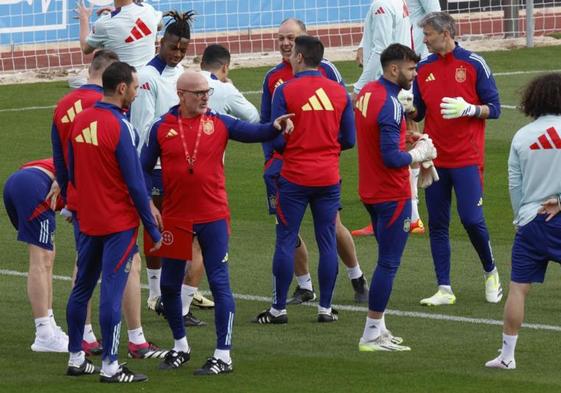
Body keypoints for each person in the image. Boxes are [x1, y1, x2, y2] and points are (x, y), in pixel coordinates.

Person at [140, 70, 293, 374]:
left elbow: (256, 132)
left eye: (207, 93)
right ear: (181, 95)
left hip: (213, 217)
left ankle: (223, 355)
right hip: (176, 218)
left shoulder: (219, 122)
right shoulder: (161, 128)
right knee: (169, 286)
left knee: (220, 284)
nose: (204, 98)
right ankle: (180, 346)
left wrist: (275, 127)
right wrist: (147, 201)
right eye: (198, 94)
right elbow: (142, 168)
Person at [52, 49, 166, 359]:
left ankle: (77, 357)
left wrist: (73, 199)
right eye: (134, 86)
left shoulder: (75, 115)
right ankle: (114, 362)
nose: (136, 91)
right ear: (120, 87)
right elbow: (134, 181)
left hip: (85, 216)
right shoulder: (121, 125)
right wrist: (152, 229)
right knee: (113, 289)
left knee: (82, 287)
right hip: (116, 221)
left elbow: (66, 168)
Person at [260, 17, 368, 304]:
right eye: (281, 37)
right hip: (284, 166)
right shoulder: (272, 78)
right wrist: (270, 161)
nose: (285, 43)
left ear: (303, 42)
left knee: (332, 225)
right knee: (286, 229)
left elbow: (339, 115)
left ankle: (356, 275)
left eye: (291, 38)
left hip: (317, 163)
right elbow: (266, 125)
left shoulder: (327, 71)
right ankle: (305, 286)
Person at [129, 10, 213, 328]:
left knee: (174, 230)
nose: (177, 54)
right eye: (173, 47)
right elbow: (144, 127)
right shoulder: (147, 77)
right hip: (155, 166)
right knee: (161, 229)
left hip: (178, 165)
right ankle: (156, 294)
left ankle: (168, 293)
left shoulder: (177, 76)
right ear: (160, 42)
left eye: (183, 49)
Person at [412, 11, 503, 305]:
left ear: (446, 33)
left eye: (428, 34)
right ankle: (444, 288)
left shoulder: (474, 64)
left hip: (466, 158)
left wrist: (471, 109)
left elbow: (495, 108)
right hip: (435, 158)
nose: (424, 39)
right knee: (437, 223)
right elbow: (420, 111)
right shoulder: (423, 67)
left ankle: (491, 272)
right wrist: (407, 109)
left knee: (471, 219)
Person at [355, 44, 437, 351]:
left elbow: (376, 138)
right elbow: (391, 158)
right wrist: (418, 153)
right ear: (394, 69)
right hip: (391, 192)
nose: (414, 75)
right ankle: (371, 334)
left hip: (370, 189)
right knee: (388, 264)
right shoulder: (390, 103)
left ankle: (381, 328)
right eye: (411, 69)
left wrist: (406, 137)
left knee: (384, 260)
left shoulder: (366, 94)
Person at [485, 73, 561, 370]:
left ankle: (507, 356)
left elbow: (514, 185)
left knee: (518, 289)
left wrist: (521, 219)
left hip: (531, 221)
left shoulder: (522, 136)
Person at [3, 158, 67, 353]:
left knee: (47, 256)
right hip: (35, 187)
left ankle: (49, 324)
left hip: (18, 183)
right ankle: (44, 334)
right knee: (41, 259)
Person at [76, 0, 162, 69]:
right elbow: (160, 26)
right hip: (149, 81)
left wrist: (84, 18)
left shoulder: (104, 23)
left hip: (122, 83)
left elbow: (85, 48)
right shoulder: (148, 9)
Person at [352, 0, 412, 100]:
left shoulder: (382, 4)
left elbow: (381, 51)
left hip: (385, 84)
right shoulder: (396, 2)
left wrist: (359, 89)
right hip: (400, 79)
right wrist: (363, 45)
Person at [200, 44, 260, 123]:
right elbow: (253, 117)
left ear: (201, 65)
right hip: (213, 133)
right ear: (225, 68)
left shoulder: (183, 81)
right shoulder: (226, 89)